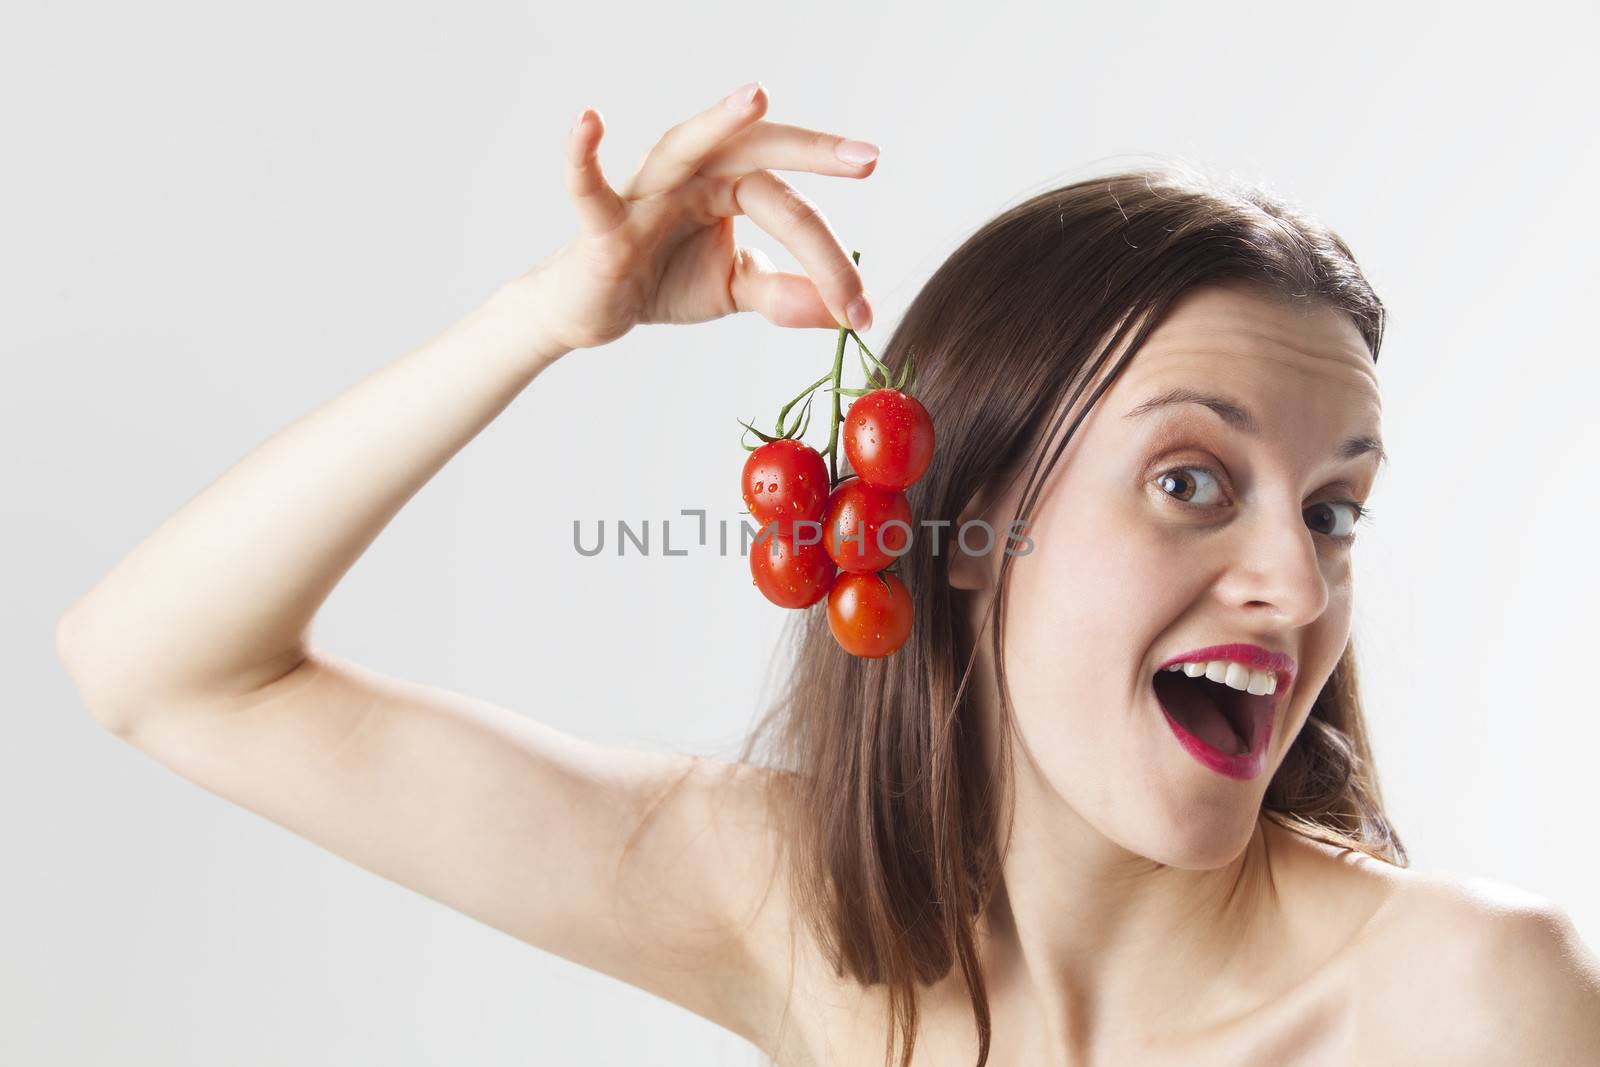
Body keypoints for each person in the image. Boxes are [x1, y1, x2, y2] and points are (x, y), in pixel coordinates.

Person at [55, 81, 1600, 1066]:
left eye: (1337, 511)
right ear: (965, 527)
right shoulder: (782, 908)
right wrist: (545, 316)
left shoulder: (1464, 999)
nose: (1294, 581)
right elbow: (162, 666)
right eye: (1192, 482)